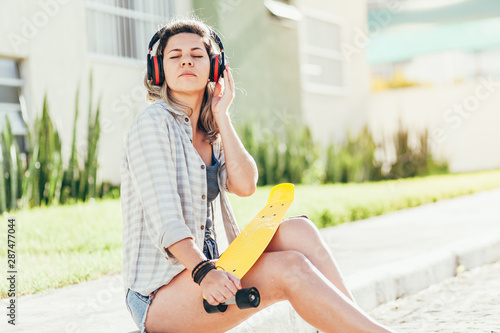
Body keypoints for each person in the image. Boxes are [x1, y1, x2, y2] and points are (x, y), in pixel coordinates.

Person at [121, 16, 396, 333]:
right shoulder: (153, 124)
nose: (186, 60)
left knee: (299, 232)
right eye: (175, 56)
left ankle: (356, 326)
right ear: (159, 70)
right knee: (288, 269)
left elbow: (245, 184)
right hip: (160, 294)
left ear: (214, 66)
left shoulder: (208, 131)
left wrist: (222, 115)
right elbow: (166, 220)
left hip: (208, 269)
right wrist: (203, 272)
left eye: (197, 55)